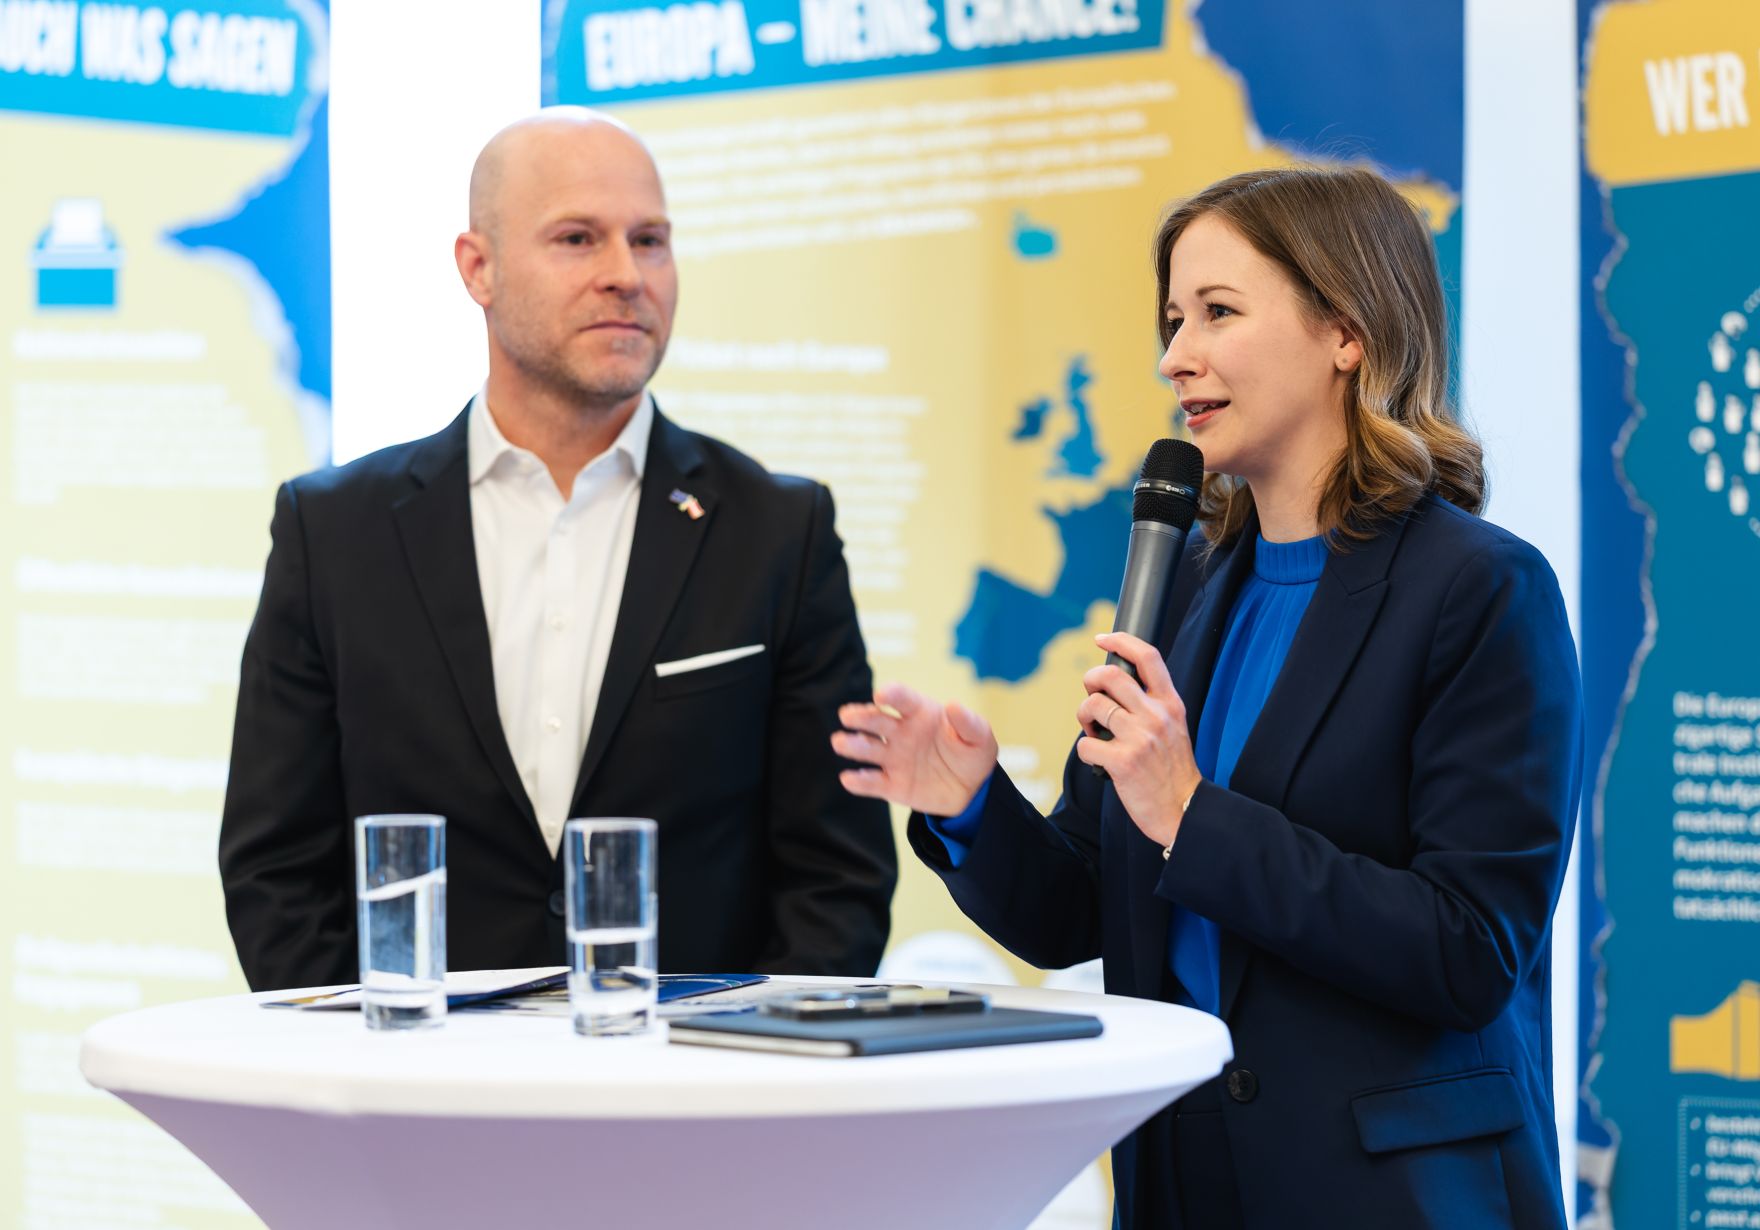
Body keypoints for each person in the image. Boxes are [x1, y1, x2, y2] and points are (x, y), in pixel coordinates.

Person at [834, 166, 1580, 1229]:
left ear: (1345, 332)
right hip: (1183, 1179)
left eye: (1217, 314)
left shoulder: (1478, 590)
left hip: (1390, 1195)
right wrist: (966, 802)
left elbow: (1465, 951)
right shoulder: (1180, 584)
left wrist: (1192, 813)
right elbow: (1076, 909)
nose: (1172, 356)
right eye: (1172, 319)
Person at [220, 107, 896, 992]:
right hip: (419, 1098)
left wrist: (737, 1087)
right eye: (578, 239)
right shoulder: (335, 531)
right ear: (479, 268)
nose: (627, 275)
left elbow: (836, 879)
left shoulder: (779, 530)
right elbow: (277, 866)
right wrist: (372, 1076)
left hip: (695, 1100)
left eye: (650, 241)